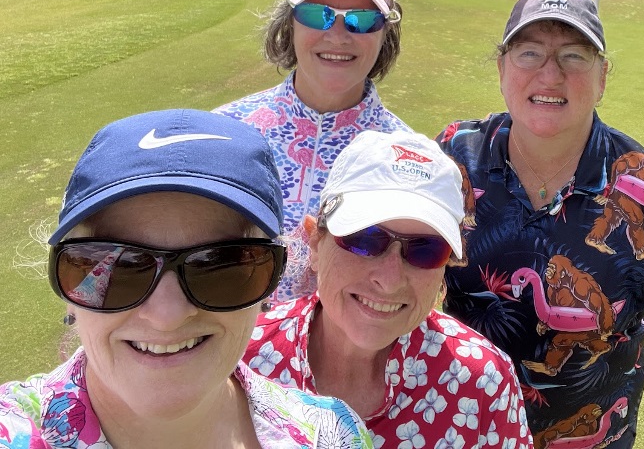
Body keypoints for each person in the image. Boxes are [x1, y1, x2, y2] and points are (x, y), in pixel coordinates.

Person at [436, 0, 644, 449]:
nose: (550, 75)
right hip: (459, 429)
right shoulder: (451, 157)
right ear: (501, 68)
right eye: (529, 53)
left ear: (603, 76)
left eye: (573, 56)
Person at [0, 108, 371, 449]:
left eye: (219, 266)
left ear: (268, 283)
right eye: (121, 265)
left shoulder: (331, 435)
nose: (167, 315)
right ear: (70, 288)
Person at [245, 129, 532, 449]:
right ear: (315, 242)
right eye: (365, 240)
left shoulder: (481, 384)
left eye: (426, 249)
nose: (390, 278)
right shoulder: (241, 360)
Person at [217, 0, 409, 299]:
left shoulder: (409, 156)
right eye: (316, 14)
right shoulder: (223, 132)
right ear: (289, 22)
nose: (338, 35)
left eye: (362, 19)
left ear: (385, 33)